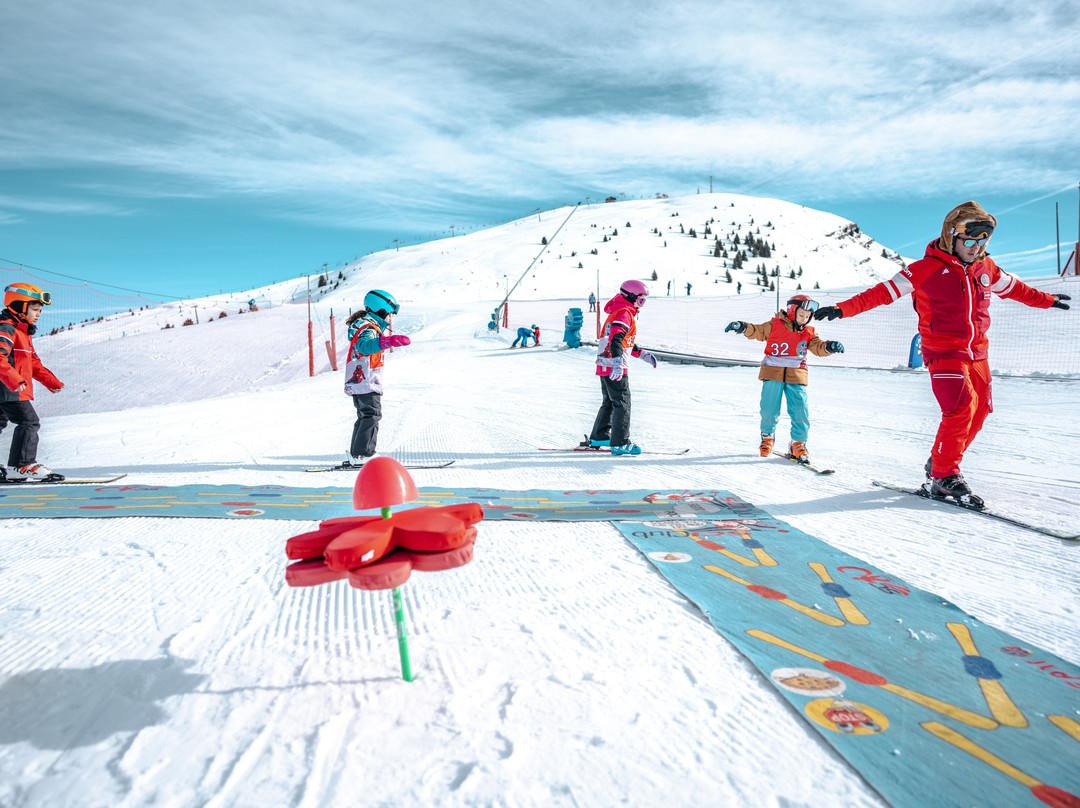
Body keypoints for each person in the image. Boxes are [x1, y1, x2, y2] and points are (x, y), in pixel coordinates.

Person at [813, 201, 1071, 506]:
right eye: (970, 240)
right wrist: (843, 308)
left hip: (977, 353)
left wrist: (1047, 299)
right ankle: (944, 476)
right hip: (943, 351)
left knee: (980, 410)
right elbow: (882, 293)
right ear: (952, 235)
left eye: (982, 241)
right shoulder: (926, 269)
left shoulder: (985, 267)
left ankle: (940, 462)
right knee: (962, 406)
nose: (976, 247)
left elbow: (1015, 288)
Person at [725, 294, 843, 463]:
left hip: (797, 374)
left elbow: (818, 347)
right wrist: (743, 327)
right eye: (801, 315)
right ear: (792, 312)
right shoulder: (775, 325)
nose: (804, 319)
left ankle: (798, 443)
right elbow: (757, 331)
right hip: (772, 372)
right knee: (769, 409)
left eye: (807, 317)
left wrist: (829, 347)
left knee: (800, 410)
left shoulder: (809, 333)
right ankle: (767, 437)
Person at [0, 283, 64, 481]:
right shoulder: (7, 329)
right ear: (19, 306)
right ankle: (21, 465)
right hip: (9, 388)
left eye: (40, 310)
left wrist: (51, 382)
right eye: (35, 309)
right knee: (29, 422)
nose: (38, 314)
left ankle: (17, 467)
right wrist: (15, 380)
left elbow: (33, 362)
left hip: (9, 388)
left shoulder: (23, 332)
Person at [587, 280, 657, 455]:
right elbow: (616, 339)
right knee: (622, 402)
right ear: (630, 296)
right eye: (641, 300)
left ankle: (600, 436)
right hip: (615, 366)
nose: (642, 304)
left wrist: (641, 354)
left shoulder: (619, 311)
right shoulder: (625, 312)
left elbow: (623, 340)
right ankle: (620, 443)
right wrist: (618, 363)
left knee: (609, 402)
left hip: (606, 364)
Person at [342, 289, 411, 467]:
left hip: (359, 379)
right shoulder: (369, 328)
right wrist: (388, 341)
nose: (390, 319)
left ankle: (357, 455)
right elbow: (364, 347)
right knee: (372, 414)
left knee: (365, 415)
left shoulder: (366, 325)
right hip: (365, 379)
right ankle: (364, 454)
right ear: (381, 310)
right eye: (389, 314)